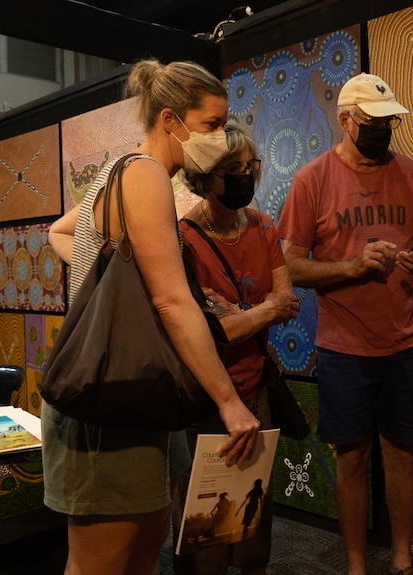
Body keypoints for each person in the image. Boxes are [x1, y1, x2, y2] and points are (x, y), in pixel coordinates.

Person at [44, 59, 260, 575]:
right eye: (210, 125)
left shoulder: (117, 173)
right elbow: (171, 301)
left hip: (132, 392)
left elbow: (59, 231)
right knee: (103, 561)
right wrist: (228, 403)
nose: (219, 139)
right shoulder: (142, 176)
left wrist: (108, 274)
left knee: (144, 542)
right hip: (111, 396)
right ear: (170, 120)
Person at [276, 73, 413, 575]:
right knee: (351, 458)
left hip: (407, 342)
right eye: (372, 123)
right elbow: (289, 265)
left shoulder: (411, 173)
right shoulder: (312, 179)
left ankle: (402, 559)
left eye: (389, 122)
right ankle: (355, 566)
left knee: (402, 453)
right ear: (346, 120)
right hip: (344, 346)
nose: (382, 131)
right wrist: (352, 268)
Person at [172, 125, 299, 575]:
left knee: (252, 528)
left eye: (250, 167)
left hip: (255, 393)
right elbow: (209, 331)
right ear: (205, 177)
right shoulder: (182, 238)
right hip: (203, 402)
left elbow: (288, 305)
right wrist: (258, 310)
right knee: (204, 535)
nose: (246, 176)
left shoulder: (264, 227)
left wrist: (239, 313)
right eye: (233, 169)